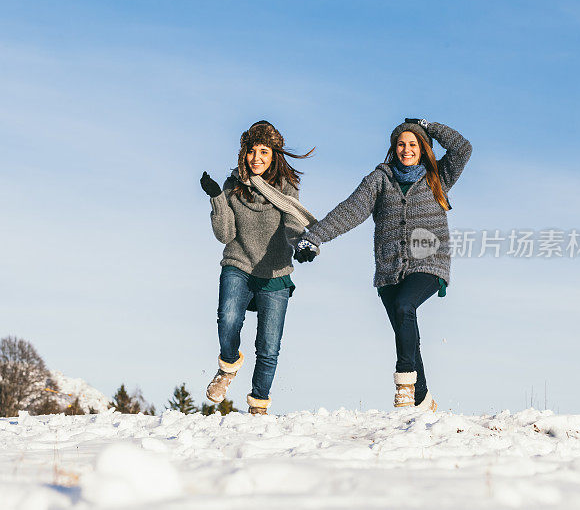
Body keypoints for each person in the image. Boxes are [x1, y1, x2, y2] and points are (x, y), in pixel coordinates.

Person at [294, 118, 472, 411]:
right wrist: (314, 238)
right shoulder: (380, 179)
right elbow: (351, 210)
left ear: (423, 148)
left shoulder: (437, 176)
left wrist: (427, 125)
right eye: (401, 144)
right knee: (407, 333)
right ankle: (423, 399)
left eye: (413, 144)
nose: (406, 149)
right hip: (390, 270)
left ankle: (404, 386)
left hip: (429, 264)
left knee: (405, 307)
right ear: (393, 148)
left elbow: (462, 148)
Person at [199, 120, 315, 415]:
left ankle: (258, 405)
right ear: (244, 153)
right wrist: (217, 198)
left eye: (264, 151)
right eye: (251, 151)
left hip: (275, 272)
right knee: (227, 318)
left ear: (274, 154)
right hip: (238, 262)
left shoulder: (287, 188)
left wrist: (301, 242)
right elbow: (225, 234)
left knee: (268, 346)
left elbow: (292, 222)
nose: (257, 158)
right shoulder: (233, 185)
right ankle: (227, 367)